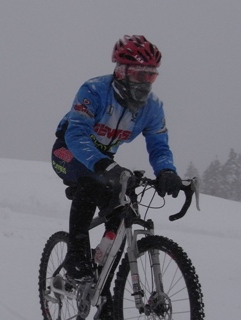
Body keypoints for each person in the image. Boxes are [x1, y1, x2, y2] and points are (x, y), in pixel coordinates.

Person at [52, 35, 182, 281]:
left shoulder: (152, 107)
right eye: (139, 75)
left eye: (151, 76)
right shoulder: (93, 90)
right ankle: (76, 259)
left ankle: (104, 289)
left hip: (103, 158)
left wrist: (166, 171)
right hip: (68, 150)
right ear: (121, 72)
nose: (145, 83)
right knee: (90, 183)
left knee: (124, 212)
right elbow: (77, 134)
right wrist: (102, 164)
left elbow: (159, 145)